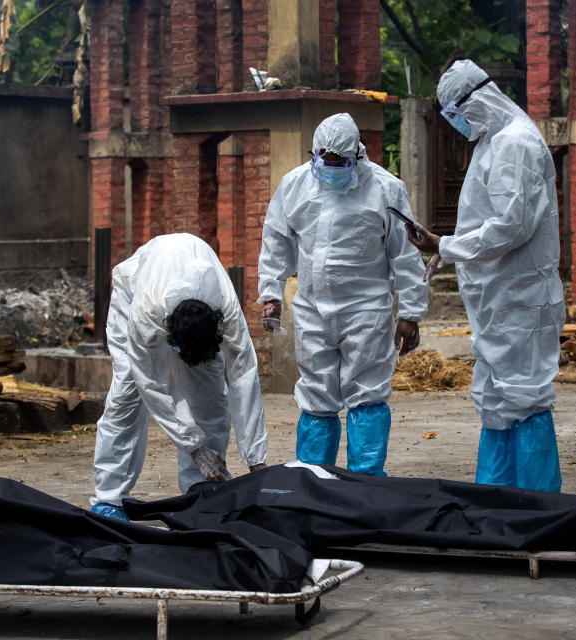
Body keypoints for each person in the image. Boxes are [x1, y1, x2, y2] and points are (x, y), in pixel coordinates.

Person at [407, 59, 564, 492]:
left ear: (477, 99)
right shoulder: (492, 142)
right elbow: (484, 220)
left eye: (455, 113)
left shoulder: (515, 143)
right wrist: (446, 250)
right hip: (498, 300)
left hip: (521, 299)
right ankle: (494, 498)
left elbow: (511, 226)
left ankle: (538, 505)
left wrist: (447, 246)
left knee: (524, 397)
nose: (454, 123)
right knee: (496, 401)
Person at [257, 112, 428, 476]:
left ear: (358, 156)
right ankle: (314, 480)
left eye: (340, 163)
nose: (332, 168)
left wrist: (410, 312)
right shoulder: (295, 185)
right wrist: (270, 292)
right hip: (312, 308)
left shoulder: (385, 188)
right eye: (326, 161)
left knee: (366, 394)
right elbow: (276, 241)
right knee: (317, 394)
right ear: (313, 154)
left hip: (366, 310)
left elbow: (404, 252)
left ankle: (364, 483)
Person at [91, 233, 268, 520]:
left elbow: (244, 378)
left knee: (209, 397)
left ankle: (200, 487)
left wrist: (256, 458)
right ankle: (109, 498)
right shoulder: (146, 313)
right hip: (132, 297)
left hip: (191, 322)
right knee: (127, 396)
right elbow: (151, 386)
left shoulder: (228, 310)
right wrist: (193, 446)